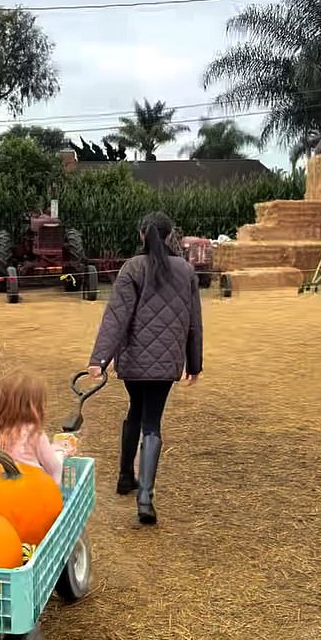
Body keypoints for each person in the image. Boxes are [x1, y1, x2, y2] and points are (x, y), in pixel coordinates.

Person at [87, 212, 203, 525]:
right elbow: (194, 322)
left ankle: (126, 476)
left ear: (142, 235)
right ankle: (145, 499)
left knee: (134, 411)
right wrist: (195, 363)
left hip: (135, 361)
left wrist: (99, 360)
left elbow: (116, 317)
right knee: (152, 423)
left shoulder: (132, 268)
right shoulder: (186, 270)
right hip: (166, 364)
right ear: (169, 236)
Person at [0, 372, 73, 486]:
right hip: (31, 494)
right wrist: (60, 452)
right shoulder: (34, 433)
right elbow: (54, 469)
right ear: (34, 406)